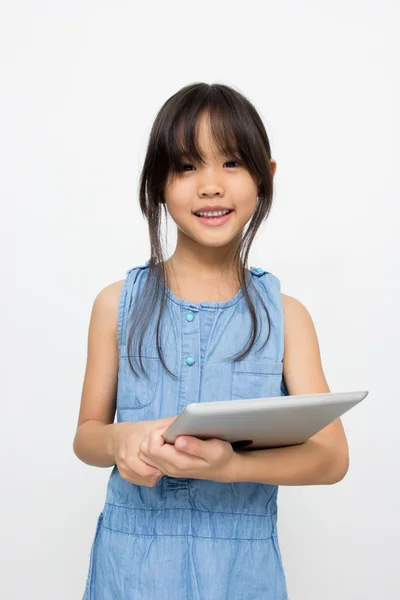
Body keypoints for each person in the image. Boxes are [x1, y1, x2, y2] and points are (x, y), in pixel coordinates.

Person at [73, 82, 350, 600]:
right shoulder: (116, 304)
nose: (210, 186)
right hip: (131, 567)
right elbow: (87, 435)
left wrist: (233, 466)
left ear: (265, 177)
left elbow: (332, 457)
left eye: (230, 164)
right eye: (185, 166)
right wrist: (120, 441)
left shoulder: (287, 316)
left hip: (241, 570)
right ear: (157, 183)